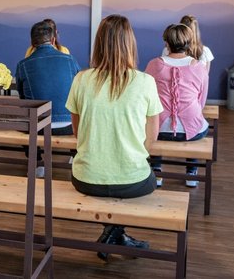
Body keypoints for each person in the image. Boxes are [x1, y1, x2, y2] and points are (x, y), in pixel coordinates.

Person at [65, 15, 162, 260]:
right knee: (149, 179)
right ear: (131, 44)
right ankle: (117, 235)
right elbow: (151, 141)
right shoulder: (145, 82)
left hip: (86, 178)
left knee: (110, 182)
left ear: (98, 44)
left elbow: (78, 133)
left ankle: (114, 234)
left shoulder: (81, 79)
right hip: (134, 180)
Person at [145, 24, 210, 188]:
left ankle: (156, 170)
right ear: (189, 43)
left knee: (154, 123)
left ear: (166, 43)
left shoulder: (154, 64)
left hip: (159, 130)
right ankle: (191, 172)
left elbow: (145, 96)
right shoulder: (199, 67)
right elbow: (201, 101)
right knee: (197, 122)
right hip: (192, 131)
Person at [16, 20, 80, 178]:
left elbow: (23, 98)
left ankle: (37, 162)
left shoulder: (23, 65)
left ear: (32, 42)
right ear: (53, 40)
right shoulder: (70, 60)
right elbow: (79, 90)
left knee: (26, 116)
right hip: (69, 125)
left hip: (38, 126)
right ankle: (75, 156)